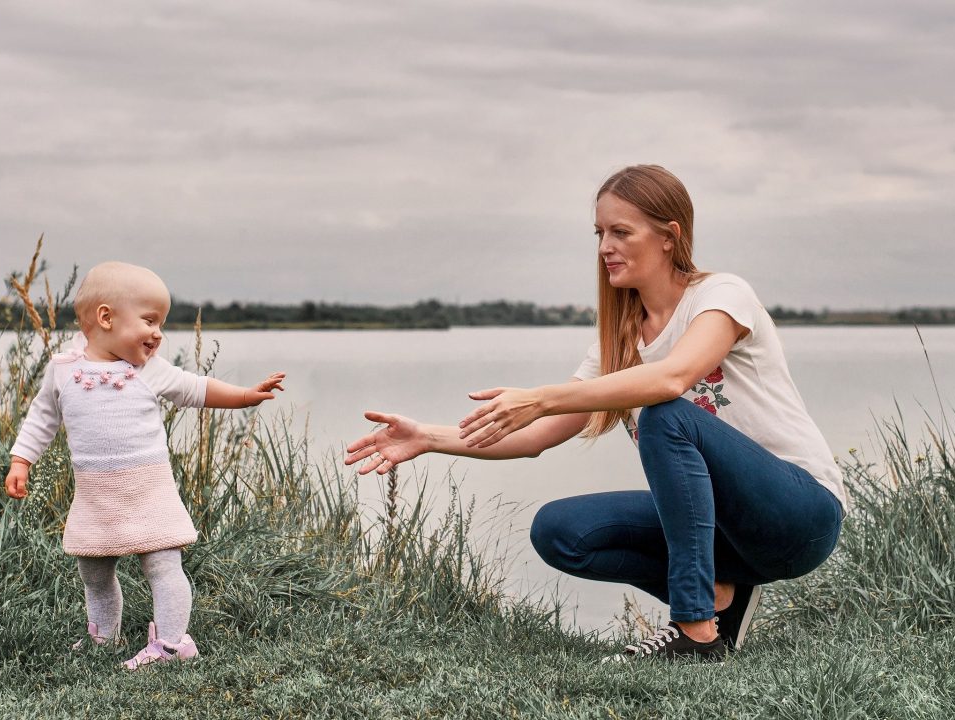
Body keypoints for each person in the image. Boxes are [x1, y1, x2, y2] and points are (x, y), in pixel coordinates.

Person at [345, 164, 845, 663]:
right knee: (561, 530)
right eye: (599, 233)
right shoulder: (618, 345)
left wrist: (541, 396)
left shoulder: (721, 297)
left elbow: (672, 379)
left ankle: (694, 632)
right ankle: (720, 599)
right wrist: (428, 437)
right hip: (721, 532)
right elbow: (536, 435)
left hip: (798, 516)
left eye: (621, 232)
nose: (605, 246)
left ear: (669, 237)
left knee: (666, 415)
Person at [5, 261, 286, 669]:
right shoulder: (64, 371)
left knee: (163, 566)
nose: (158, 333)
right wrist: (21, 460)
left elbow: (197, 389)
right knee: (94, 571)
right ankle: (104, 637)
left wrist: (245, 396)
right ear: (106, 317)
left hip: (148, 491)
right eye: (150, 320)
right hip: (96, 496)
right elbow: (42, 418)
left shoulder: (148, 371)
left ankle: (172, 645)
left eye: (161, 324)